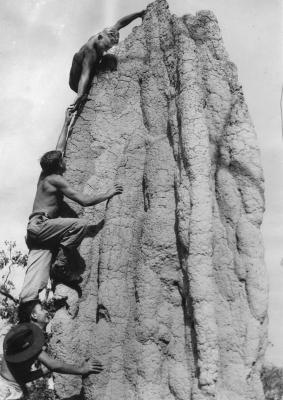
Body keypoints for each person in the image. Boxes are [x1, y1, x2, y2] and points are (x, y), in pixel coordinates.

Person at [19, 108, 123, 303]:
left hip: (36, 232)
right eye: (62, 160)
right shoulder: (56, 179)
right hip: (42, 226)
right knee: (81, 224)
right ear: (58, 166)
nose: (65, 160)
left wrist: (66, 122)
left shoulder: (44, 175)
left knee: (33, 283)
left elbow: (59, 147)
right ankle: (62, 264)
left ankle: (27, 309)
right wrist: (107, 194)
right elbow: (82, 200)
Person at [0, 300, 103, 399]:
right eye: (42, 309)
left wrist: (45, 370)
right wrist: (82, 369)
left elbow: (23, 377)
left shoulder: (26, 334)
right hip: (6, 390)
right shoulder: (28, 336)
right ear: (34, 315)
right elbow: (53, 365)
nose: (46, 311)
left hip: (10, 388)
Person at [69, 9, 145, 111]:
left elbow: (120, 23)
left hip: (88, 71)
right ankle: (85, 96)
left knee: (110, 58)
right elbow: (84, 75)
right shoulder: (90, 51)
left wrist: (138, 14)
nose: (105, 49)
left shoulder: (106, 35)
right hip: (76, 80)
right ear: (100, 37)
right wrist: (80, 94)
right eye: (105, 46)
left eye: (108, 48)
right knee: (108, 60)